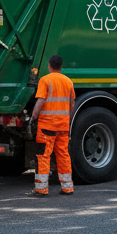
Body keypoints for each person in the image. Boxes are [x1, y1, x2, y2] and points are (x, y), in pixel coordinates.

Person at [29, 55, 76, 196]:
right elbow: (72, 103)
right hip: (63, 125)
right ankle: (67, 187)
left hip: (47, 126)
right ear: (61, 66)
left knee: (44, 155)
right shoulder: (68, 81)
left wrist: (33, 116)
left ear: (49, 66)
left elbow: (41, 100)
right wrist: (66, 116)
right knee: (63, 154)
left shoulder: (45, 80)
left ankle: (42, 189)